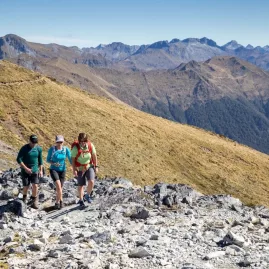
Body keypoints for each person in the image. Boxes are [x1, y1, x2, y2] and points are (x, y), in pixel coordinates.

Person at [16, 134, 43, 209]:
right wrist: (26, 168)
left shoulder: (38, 149)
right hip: (25, 171)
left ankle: (34, 201)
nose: (34, 144)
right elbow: (19, 159)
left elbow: (40, 160)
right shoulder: (24, 148)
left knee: (35, 185)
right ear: (29, 141)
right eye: (33, 142)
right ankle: (24, 198)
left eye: (35, 142)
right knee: (26, 186)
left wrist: (40, 170)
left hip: (35, 170)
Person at [71, 133, 98, 206]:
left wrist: (96, 166)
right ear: (79, 141)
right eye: (81, 141)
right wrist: (74, 169)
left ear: (86, 141)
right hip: (80, 168)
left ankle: (87, 195)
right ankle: (81, 200)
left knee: (91, 181)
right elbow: (73, 159)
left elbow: (94, 155)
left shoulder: (90, 146)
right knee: (81, 185)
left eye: (84, 141)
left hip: (88, 166)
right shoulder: (75, 148)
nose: (82, 143)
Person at [46, 135, 72, 209]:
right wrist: (54, 163)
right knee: (58, 186)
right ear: (56, 142)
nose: (59, 143)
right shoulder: (52, 149)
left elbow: (70, 158)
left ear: (63, 142)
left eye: (61, 142)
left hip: (63, 170)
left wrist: (74, 167)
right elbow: (48, 159)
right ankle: (60, 202)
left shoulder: (65, 149)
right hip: (53, 169)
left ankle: (57, 203)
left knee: (60, 188)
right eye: (58, 142)